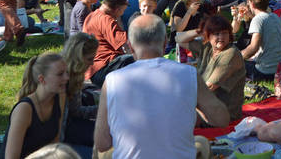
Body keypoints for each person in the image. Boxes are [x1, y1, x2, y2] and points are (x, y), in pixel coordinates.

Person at [94, 14, 228, 159]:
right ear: (165, 43)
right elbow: (222, 119)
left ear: (130, 47)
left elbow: (102, 143)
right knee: (201, 143)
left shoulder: (112, 81)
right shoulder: (189, 74)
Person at [176, 15, 246, 121]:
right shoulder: (207, 47)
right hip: (205, 106)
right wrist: (199, 31)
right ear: (208, 36)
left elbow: (209, 87)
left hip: (222, 113)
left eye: (224, 33)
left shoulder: (231, 53)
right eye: (216, 34)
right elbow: (179, 39)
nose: (221, 37)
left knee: (177, 117)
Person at [0, 53, 68, 159]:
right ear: (42, 79)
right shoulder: (24, 109)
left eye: (66, 72)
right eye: (60, 74)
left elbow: (55, 141)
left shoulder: (60, 97)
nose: (67, 78)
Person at [233, 0, 281, 80]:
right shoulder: (274, 16)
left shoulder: (258, 19)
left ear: (252, 3)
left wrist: (235, 57)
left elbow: (253, 48)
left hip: (263, 71)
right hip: (279, 69)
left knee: (230, 63)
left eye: (248, 2)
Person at [82, 0, 132, 87]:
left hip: (92, 70)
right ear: (117, 9)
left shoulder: (92, 16)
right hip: (103, 70)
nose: (122, 13)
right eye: (123, 10)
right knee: (134, 60)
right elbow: (126, 46)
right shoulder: (107, 20)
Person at [61, 33, 98, 146]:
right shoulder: (64, 78)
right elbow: (75, 112)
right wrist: (101, 110)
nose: (92, 63)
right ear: (77, 57)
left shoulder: (73, 73)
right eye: (89, 59)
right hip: (64, 131)